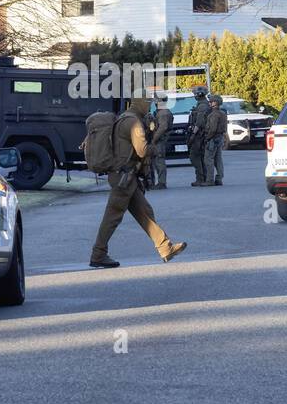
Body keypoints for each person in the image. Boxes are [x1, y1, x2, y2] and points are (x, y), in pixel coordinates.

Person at [90, 96, 188, 268]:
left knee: (144, 211)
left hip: (124, 175)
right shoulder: (133, 122)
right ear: (141, 104)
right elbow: (142, 151)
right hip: (124, 177)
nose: (149, 108)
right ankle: (98, 254)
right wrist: (155, 149)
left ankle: (165, 247)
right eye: (148, 104)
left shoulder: (123, 118)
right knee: (112, 216)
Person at [197, 94, 227, 186]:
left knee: (208, 159)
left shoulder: (214, 114)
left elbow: (213, 129)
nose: (209, 103)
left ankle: (210, 180)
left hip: (213, 139)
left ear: (215, 103)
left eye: (211, 101)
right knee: (218, 159)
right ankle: (219, 178)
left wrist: (207, 138)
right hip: (219, 138)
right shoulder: (222, 113)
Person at [187, 85, 212, 186]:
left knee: (195, 156)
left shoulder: (202, 106)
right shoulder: (202, 104)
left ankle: (201, 178)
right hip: (201, 134)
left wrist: (193, 134)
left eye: (195, 94)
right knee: (200, 156)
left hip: (200, 135)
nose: (194, 96)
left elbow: (199, 121)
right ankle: (202, 177)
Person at [148, 92, 173, 189]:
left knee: (159, 160)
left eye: (156, 100)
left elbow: (163, 128)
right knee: (156, 161)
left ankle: (162, 183)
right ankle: (157, 182)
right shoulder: (159, 112)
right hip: (158, 140)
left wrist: (154, 139)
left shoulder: (163, 113)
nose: (154, 101)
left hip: (159, 140)